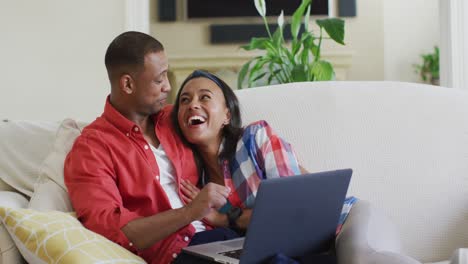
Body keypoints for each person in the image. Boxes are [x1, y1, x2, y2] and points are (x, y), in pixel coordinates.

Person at [64, 32, 240, 264]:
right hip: (180, 253)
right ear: (127, 84)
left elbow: (223, 137)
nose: (168, 87)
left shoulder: (174, 118)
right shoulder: (92, 148)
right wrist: (190, 212)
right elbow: (111, 232)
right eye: (159, 79)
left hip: (225, 239)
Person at [171, 70, 356, 263]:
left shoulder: (255, 137)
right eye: (184, 100)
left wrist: (222, 219)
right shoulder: (199, 184)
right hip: (292, 251)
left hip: (344, 224)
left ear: (227, 115)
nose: (192, 104)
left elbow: (293, 211)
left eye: (205, 97)